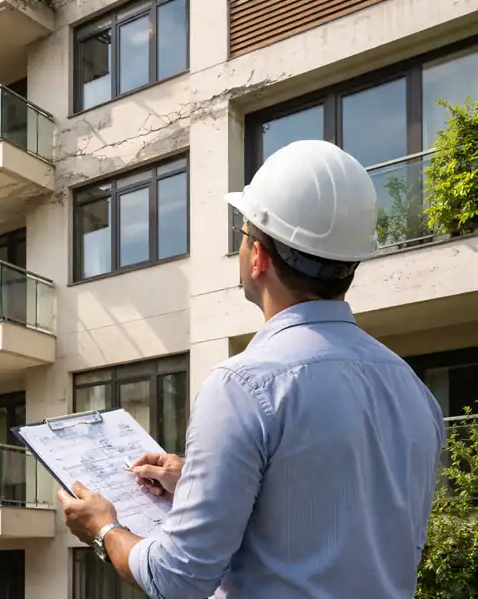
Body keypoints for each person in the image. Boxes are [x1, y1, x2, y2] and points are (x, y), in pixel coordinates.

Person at [58, 140, 445, 599]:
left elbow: (177, 579)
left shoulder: (242, 386)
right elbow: (347, 526)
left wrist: (104, 529)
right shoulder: (412, 388)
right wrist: (200, 481)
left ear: (258, 257)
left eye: (242, 234)